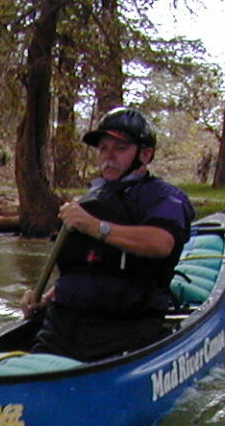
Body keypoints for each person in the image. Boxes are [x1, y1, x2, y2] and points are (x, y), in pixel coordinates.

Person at [19, 107, 195, 362]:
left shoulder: (164, 197)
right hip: (62, 327)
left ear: (145, 154)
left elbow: (161, 243)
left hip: (126, 328)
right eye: (103, 148)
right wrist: (47, 297)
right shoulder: (89, 200)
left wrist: (94, 226)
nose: (109, 156)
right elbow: (87, 266)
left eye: (120, 148)